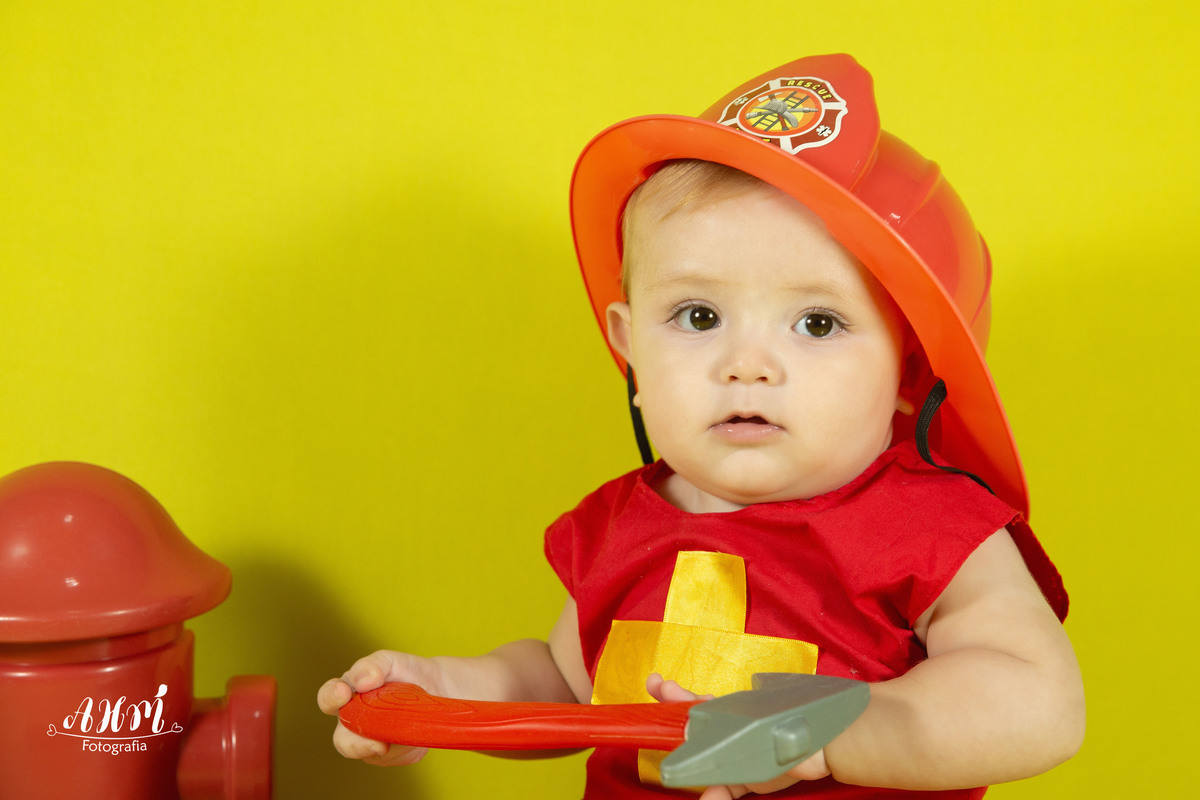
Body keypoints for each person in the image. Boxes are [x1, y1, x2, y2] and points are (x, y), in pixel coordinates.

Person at [318, 54, 1084, 798]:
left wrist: (833, 734)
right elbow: (564, 685)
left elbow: (1036, 704)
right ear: (630, 348)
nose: (746, 365)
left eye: (817, 323)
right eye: (699, 316)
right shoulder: (619, 527)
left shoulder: (933, 527)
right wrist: (442, 696)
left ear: (909, 372)